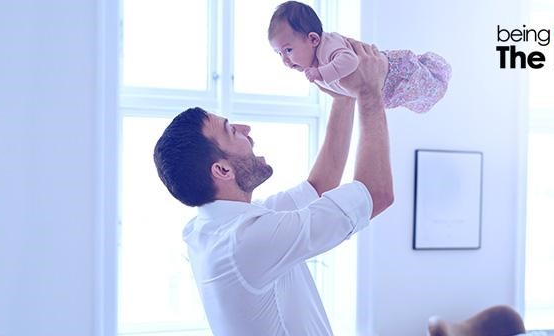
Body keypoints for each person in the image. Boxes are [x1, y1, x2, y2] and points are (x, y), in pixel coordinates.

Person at [153, 39, 393, 335]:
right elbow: (376, 193)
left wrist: (343, 98)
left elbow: (319, 187)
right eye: (232, 130)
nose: (246, 129)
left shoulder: (219, 226)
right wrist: (370, 94)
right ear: (222, 169)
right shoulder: (243, 242)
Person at [268, 1, 452, 114]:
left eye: (288, 50)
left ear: (313, 39)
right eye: (279, 53)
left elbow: (350, 60)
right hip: (386, 88)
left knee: (431, 86)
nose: (285, 60)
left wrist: (321, 73)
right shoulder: (313, 65)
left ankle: (436, 73)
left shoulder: (328, 46)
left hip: (396, 72)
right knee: (416, 100)